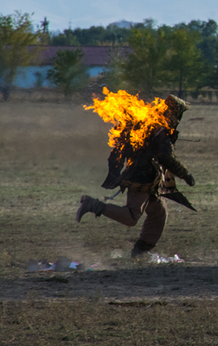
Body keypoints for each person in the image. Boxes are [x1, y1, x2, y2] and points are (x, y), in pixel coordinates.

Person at [76, 94, 196, 258]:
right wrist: (186, 174)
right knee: (132, 217)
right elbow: (166, 157)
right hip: (141, 178)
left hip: (150, 178)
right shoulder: (160, 129)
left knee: (158, 213)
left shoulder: (151, 123)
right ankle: (93, 205)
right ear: (174, 113)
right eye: (179, 113)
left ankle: (140, 252)